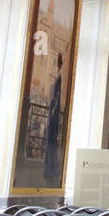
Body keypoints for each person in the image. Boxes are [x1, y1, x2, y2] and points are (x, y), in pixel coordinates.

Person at [43, 52, 64, 184]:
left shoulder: (60, 76)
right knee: (51, 143)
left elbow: (56, 98)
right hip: (53, 111)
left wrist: (51, 115)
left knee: (51, 142)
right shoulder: (59, 75)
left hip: (54, 112)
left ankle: (51, 170)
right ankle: (51, 169)